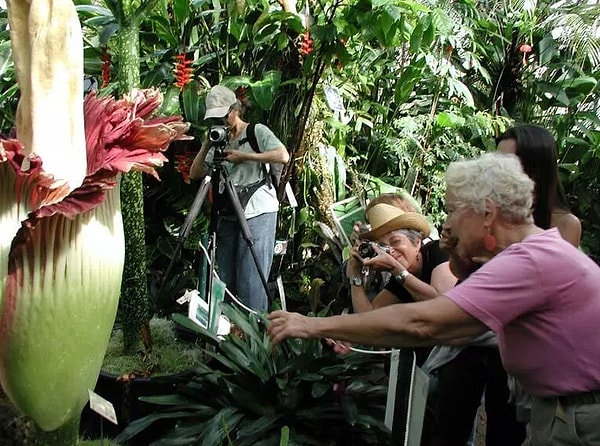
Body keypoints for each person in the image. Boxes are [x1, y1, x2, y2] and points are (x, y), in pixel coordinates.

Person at [268, 152, 600, 446]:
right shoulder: (531, 252)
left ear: (487, 213)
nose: (449, 224)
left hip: (579, 420)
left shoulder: (528, 261)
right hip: (561, 413)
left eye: (454, 211)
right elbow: (448, 331)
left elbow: (424, 322)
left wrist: (311, 324)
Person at [189, 85, 289, 311]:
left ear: (235, 109)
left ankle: (254, 338)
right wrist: (207, 144)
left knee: (251, 280)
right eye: (214, 118)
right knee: (225, 277)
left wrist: (244, 156)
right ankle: (229, 333)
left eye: (223, 115)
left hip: (258, 211)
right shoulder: (218, 141)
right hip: (229, 212)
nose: (221, 121)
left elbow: (283, 155)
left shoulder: (257, 131)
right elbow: (194, 174)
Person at [345, 201, 456, 366]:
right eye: (383, 246)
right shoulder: (400, 277)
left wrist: (397, 270)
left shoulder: (437, 252)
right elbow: (369, 322)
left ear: (417, 243)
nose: (390, 251)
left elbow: (442, 306)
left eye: (395, 241)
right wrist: (355, 277)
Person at [496, 124, 581, 247]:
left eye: (508, 164)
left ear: (536, 170)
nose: (498, 171)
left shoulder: (565, 224)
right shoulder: (489, 211)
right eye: (496, 162)